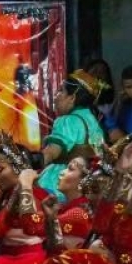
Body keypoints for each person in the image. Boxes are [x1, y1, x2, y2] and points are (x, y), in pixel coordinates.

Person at [37, 70, 105, 200]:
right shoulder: (93, 122)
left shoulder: (68, 121)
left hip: (57, 187)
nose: (55, 96)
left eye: (60, 91)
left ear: (72, 97)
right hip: (86, 185)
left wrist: (28, 165)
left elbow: (52, 151)